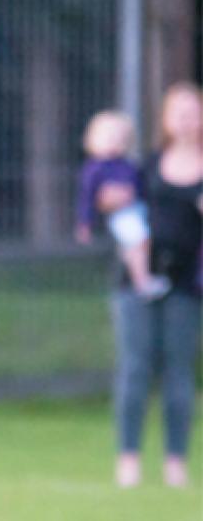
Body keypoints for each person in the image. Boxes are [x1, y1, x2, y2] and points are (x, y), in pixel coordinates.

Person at [106, 82, 202, 488]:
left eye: (193, 111)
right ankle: (128, 458)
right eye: (178, 111)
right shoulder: (145, 168)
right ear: (165, 119)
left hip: (186, 285)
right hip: (137, 283)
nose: (186, 119)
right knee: (135, 369)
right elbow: (119, 211)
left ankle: (175, 462)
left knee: (179, 372)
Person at [75, 110, 169, 299]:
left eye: (119, 138)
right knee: (139, 240)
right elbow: (87, 199)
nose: (113, 143)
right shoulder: (94, 170)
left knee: (143, 240)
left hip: (138, 209)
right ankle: (142, 282)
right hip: (122, 214)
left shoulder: (129, 165)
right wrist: (85, 223)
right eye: (108, 137)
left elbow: (142, 189)